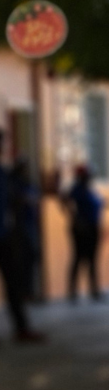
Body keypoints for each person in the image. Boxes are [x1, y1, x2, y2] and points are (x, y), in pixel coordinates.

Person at [0, 131, 45, 343]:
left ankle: (22, 328)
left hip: (5, 236)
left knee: (14, 283)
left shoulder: (6, 175)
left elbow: (15, 199)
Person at [64, 164, 104, 302]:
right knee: (78, 258)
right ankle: (72, 292)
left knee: (92, 259)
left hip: (93, 227)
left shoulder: (89, 190)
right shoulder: (76, 189)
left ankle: (94, 290)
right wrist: (76, 220)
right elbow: (66, 202)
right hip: (82, 228)